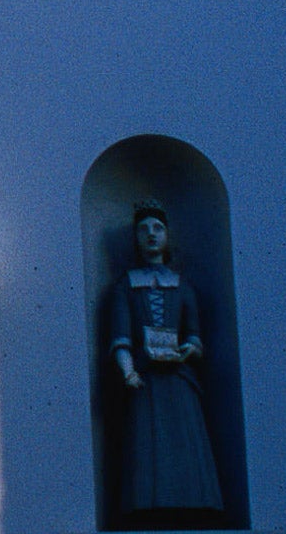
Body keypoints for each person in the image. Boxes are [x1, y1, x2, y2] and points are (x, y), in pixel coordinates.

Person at [105, 200, 223, 528]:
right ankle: (147, 507)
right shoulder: (125, 286)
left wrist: (187, 350)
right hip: (145, 380)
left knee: (184, 442)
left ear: (167, 236)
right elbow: (120, 338)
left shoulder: (182, 286)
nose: (151, 235)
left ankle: (193, 504)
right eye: (143, 229)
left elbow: (195, 337)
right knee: (147, 445)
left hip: (178, 379)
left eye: (157, 228)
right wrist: (128, 371)